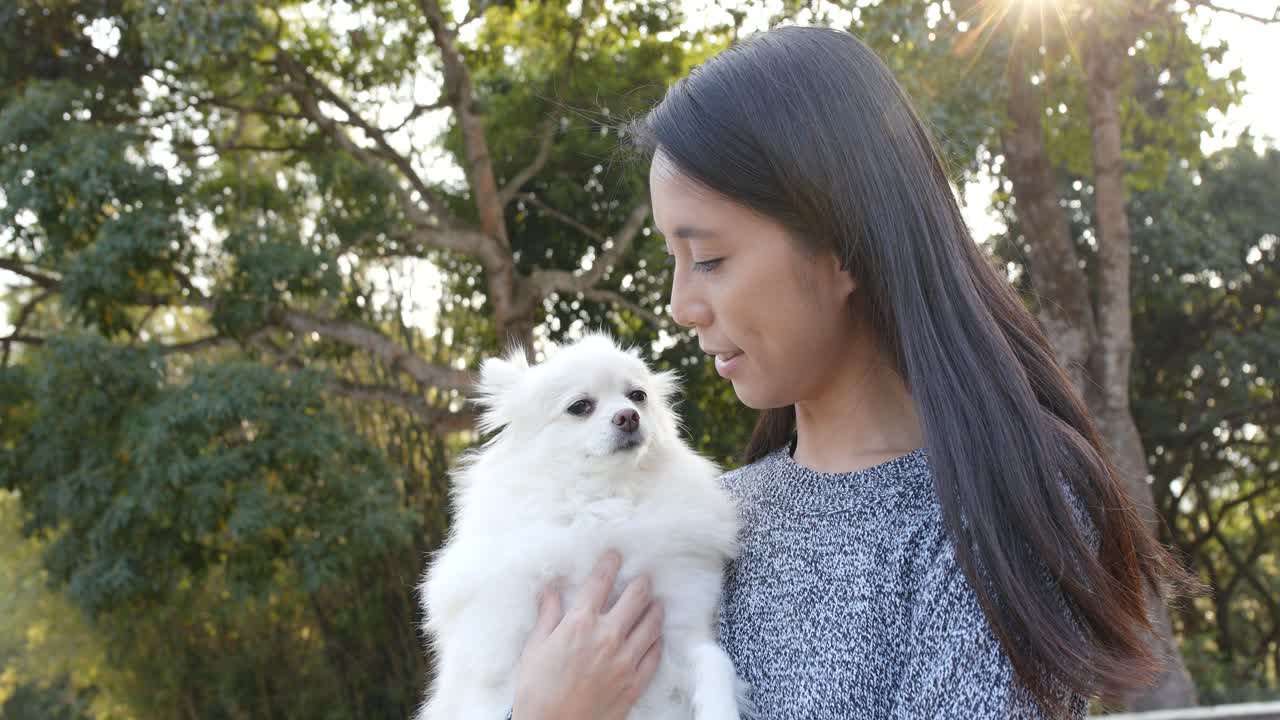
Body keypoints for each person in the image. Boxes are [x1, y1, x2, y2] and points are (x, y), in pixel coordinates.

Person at [505, 25, 1186, 719]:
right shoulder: (705, 518)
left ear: (841, 245)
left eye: (707, 258)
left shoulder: (1000, 504)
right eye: (674, 263)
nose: (681, 306)